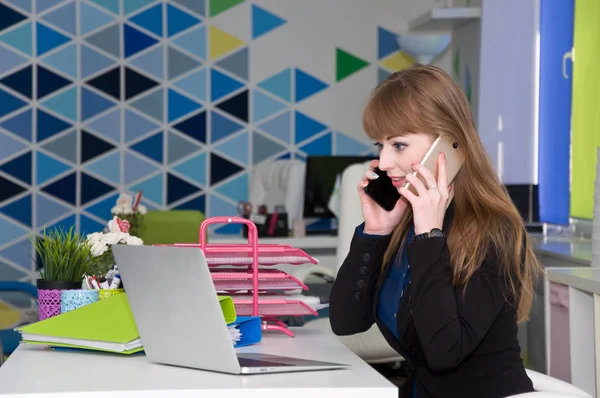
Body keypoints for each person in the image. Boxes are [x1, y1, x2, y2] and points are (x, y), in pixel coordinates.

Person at [329, 64, 542, 398]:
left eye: (398, 145)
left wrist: (430, 236)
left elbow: (445, 351)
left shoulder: (493, 230)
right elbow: (346, 322)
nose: (383, 162)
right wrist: (375, 233)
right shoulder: (405, 223)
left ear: (446, 144)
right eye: (379, 145)